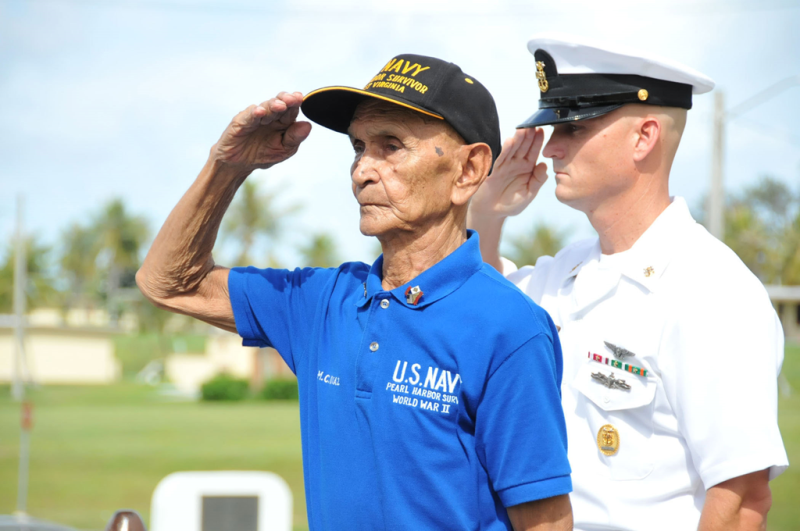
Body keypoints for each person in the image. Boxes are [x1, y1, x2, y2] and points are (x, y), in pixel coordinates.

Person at [137, 54, 573, 530]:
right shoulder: (321, 302)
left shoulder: (510, 327)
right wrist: (228, 167)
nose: (363, 169)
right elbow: (168, 283)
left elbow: (545, 523)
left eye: (391, 146)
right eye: (359, 146)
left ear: (468, 170)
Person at [468, 33, 789, 531]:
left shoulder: (712, 292)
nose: (552, 148)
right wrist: (485, 216)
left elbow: (742, 500)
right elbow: (480, 315)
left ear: (644, 138)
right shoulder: (564, 273)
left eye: (574, 126)